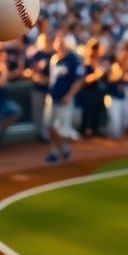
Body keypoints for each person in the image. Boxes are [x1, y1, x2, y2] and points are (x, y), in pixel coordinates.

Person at [44, 34, 84, 164]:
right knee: (49, 126)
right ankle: (61, 149)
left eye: (62, 42)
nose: (59, 44)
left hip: (64, 98)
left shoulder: (74, 60)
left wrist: (69, 95)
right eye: (58, 41)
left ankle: (56, 151)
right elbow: (51, 79)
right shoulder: (54, 59)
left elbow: (79, 80)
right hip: (52, 97)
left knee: (62, 128)